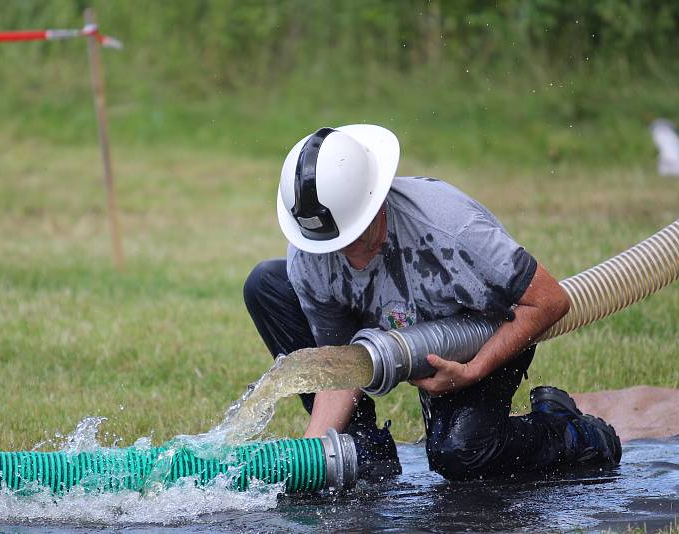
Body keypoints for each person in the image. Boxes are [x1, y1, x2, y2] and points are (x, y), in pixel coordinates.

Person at [243, 124, 622, 481]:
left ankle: (570, 431)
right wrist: (317, 451)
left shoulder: (450, 228)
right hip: (393, 335)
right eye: (331, 245)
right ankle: (363, 452)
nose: (341, 255)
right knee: (267, 283)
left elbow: (549, 301)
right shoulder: (313, 250)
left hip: (480, 334)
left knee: (459, 455)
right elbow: (339, 363)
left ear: (376, 204)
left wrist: (473, 370)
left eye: (353, 240)